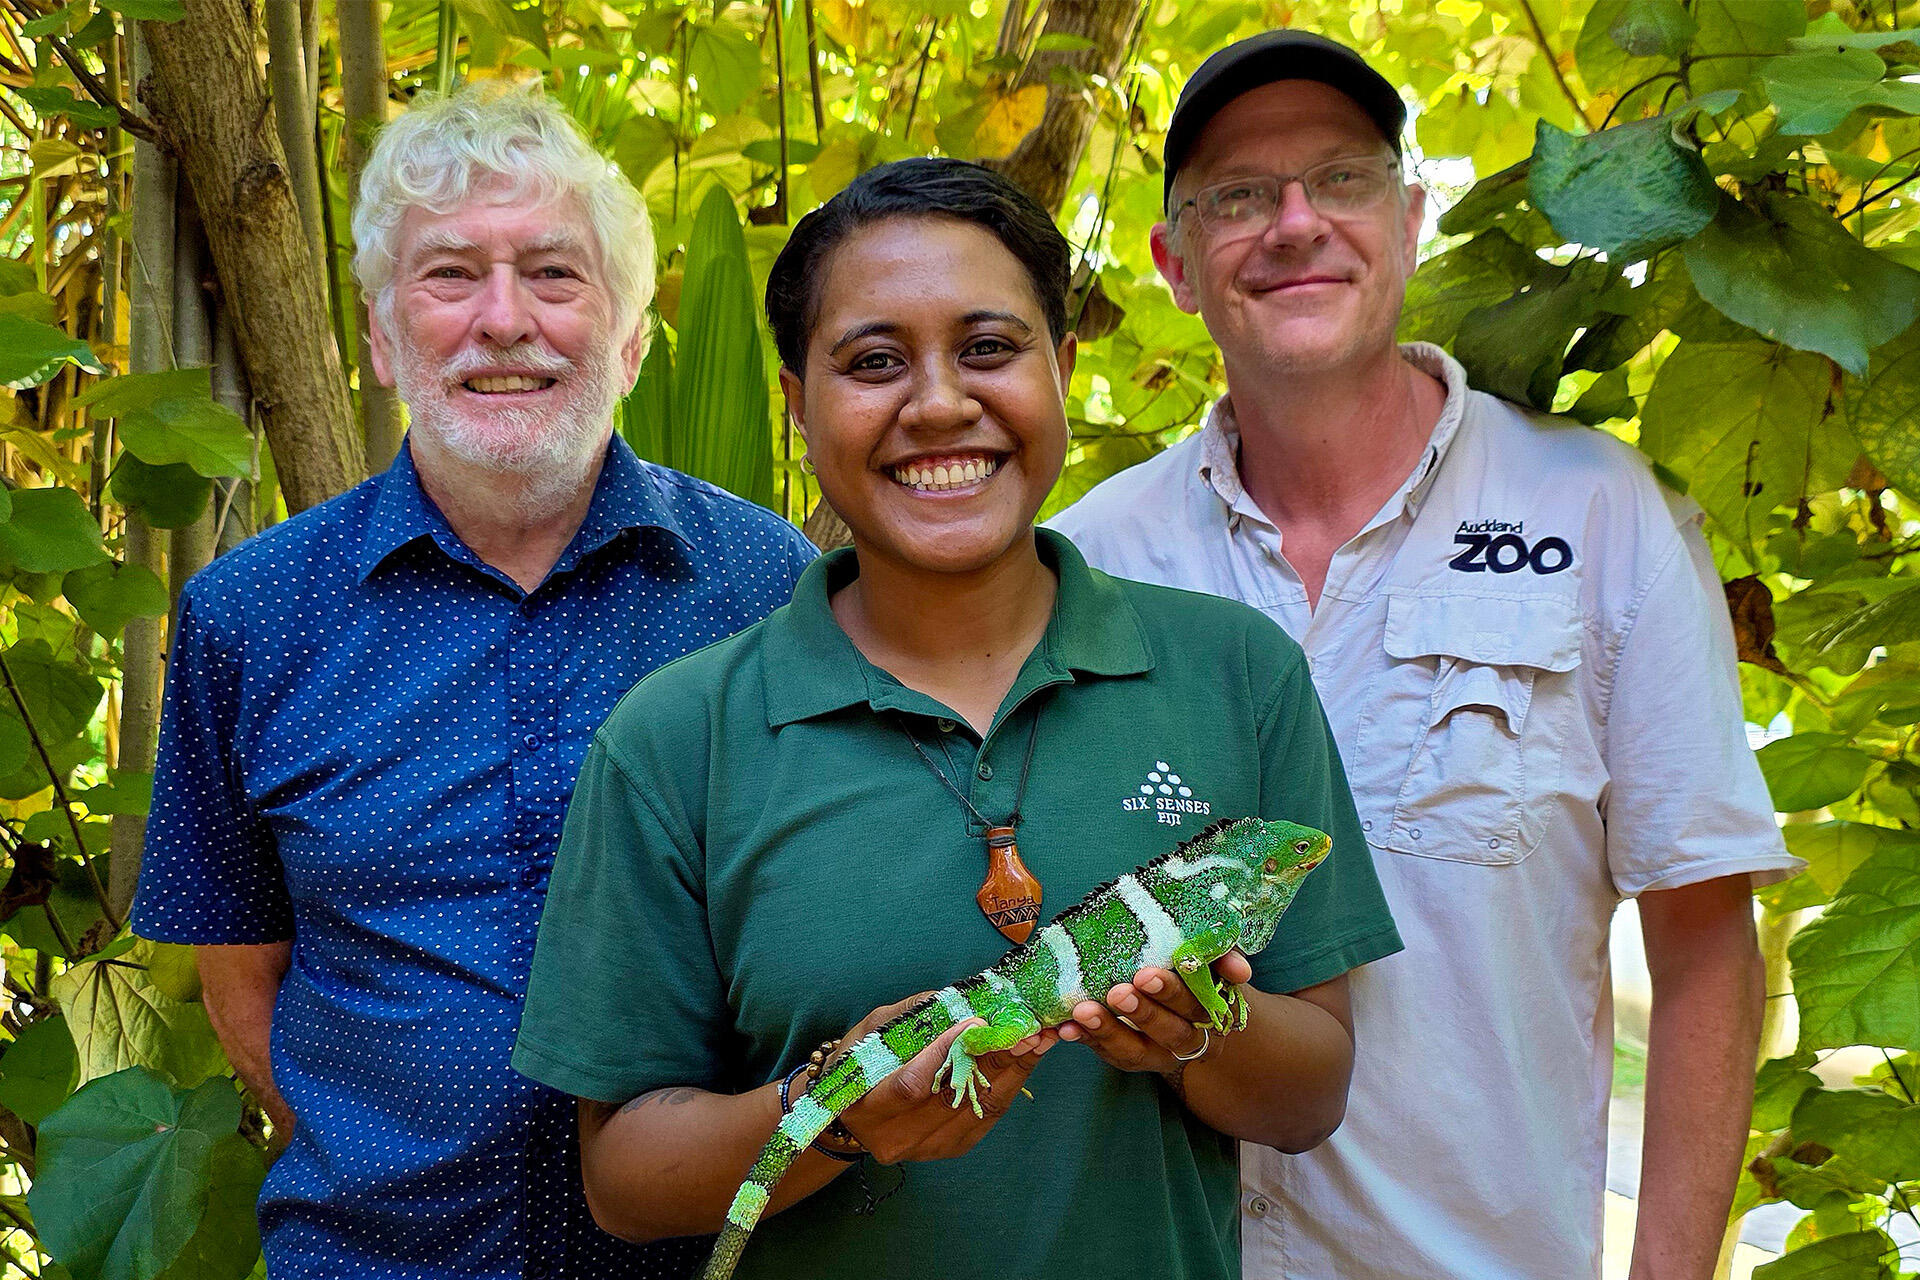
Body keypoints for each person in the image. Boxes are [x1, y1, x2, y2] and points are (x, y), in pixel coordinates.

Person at [510, 158, 1402, 1280]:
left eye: (988, 347)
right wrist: (839, 1116)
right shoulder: (674, 736)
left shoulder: (1235, 672)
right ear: (796, 404)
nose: (938, 403)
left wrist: (1199, 1028)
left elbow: (1311, 1093)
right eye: (874, 361)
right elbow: (625, 1181)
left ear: (1063, 369)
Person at [1050, 29, 1803, 1280]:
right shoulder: (1087, 558)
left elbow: (1704, 931)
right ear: (1177, 264)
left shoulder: (1597, 515)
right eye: (1240, 196)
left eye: (1340, 180)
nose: (1295, 224)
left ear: (1408, 220)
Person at [131, 86, 817, 1280]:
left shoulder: (771, 586)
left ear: (633, 339)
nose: (505, 320)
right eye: (452, 275)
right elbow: (242, 967)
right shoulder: (251, 614)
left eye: (554, 275)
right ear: (385, 336)